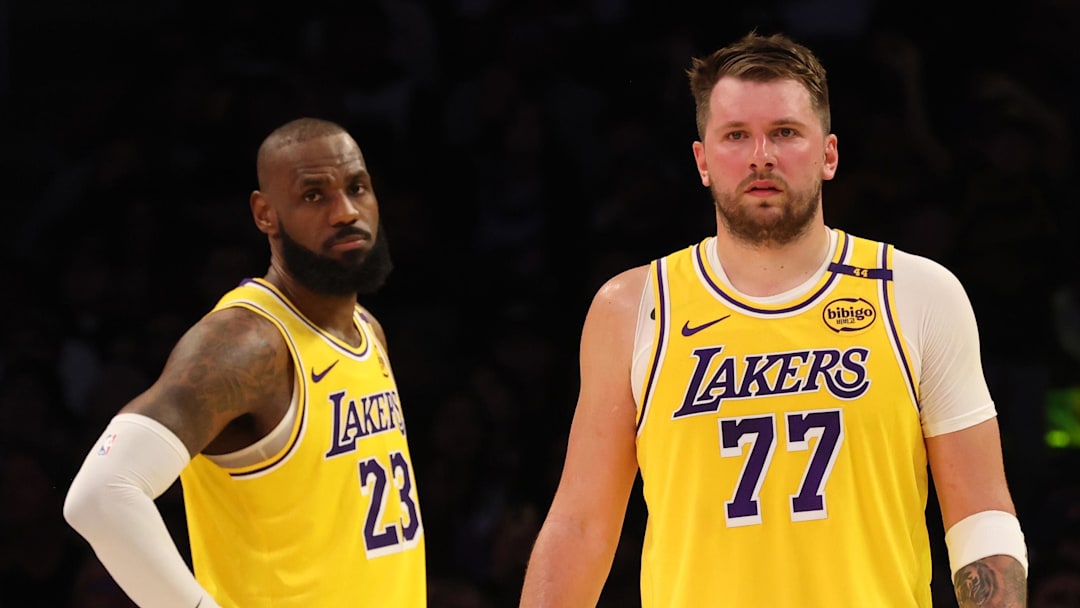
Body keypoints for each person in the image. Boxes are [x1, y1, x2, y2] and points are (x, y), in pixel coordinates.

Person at [519, 32, 1028, 607]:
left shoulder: (918, 293)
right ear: (702, 160)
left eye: (785, 133)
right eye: (736, 135)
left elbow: (980, 513)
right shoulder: (632, 307)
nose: (761, 154)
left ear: (829, 154)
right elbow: (581, 528)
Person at [63, 117, 426, 607]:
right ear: (265, 214)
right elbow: (100, 495)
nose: (345, 211)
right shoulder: (247, 342)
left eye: (356, 188)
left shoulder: (367, 329)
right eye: (314, 195)